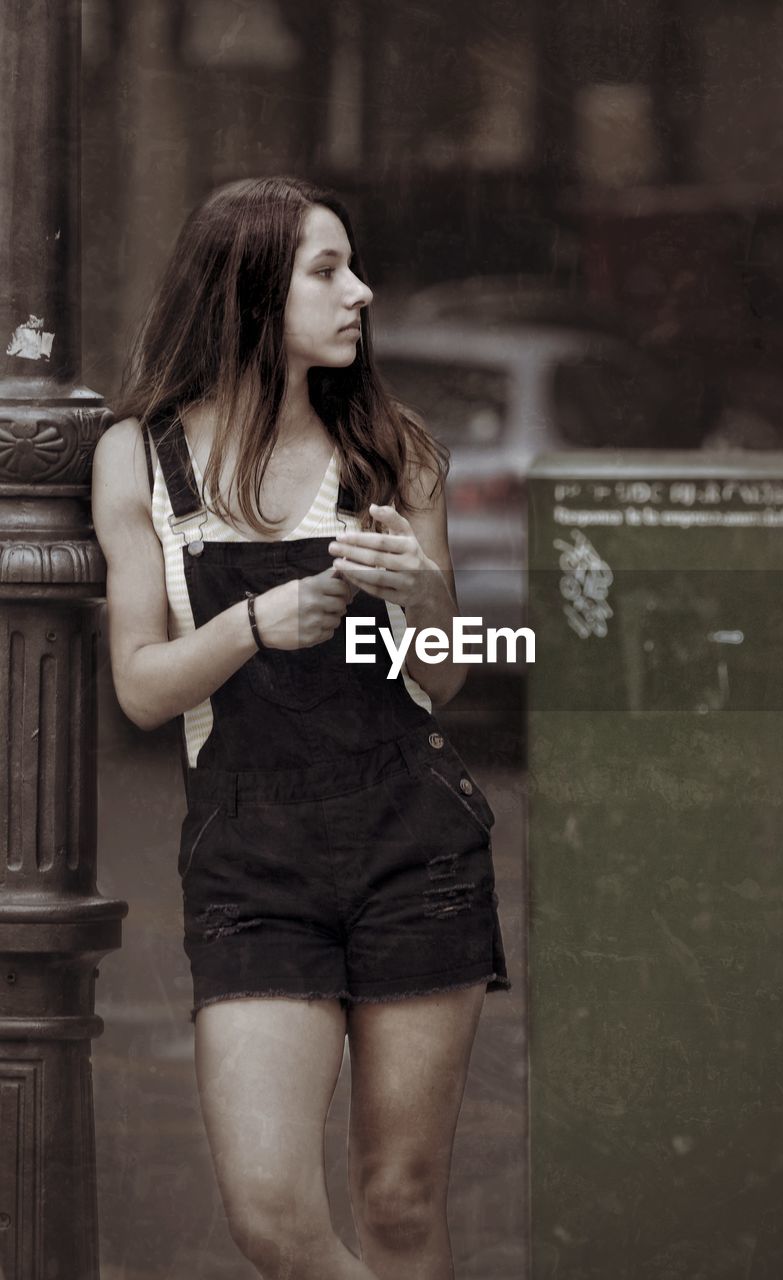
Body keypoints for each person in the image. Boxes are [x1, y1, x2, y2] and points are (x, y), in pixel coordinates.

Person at [91, 175, 511, 1280]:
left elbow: (449, 675)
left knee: (402, 1199)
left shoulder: (392, 449)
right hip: (249, 854)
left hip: (413, 839)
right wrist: (255, 623)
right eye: (328, 270)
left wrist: (417, 596)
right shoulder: (142, 460)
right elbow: (140, 687)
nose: (360, 292)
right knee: (272, 1210)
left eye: (352, 265)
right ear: (250, 291)